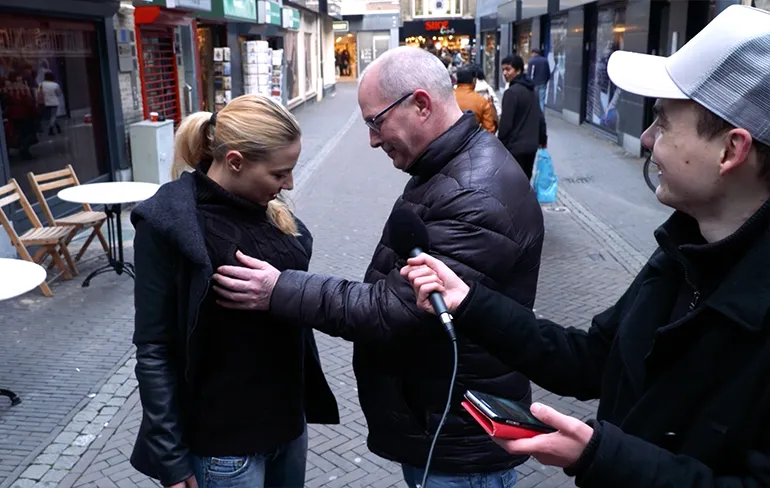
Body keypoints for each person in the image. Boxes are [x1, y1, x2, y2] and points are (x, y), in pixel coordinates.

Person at [401, 5, 770, 487]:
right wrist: (469, 302)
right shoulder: (682, 250)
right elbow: (593, 359)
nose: (645, 138)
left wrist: (600, 455)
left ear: (730, 150)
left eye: (663, 122)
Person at [210, 46, 544, 488]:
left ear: (421, 105)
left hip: (457, 442)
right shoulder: (449, 169)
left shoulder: (474, 194)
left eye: (375, 121)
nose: (371, 139)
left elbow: (395, 310)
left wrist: (279, 289)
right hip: (443, 422)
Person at [129, 94, 339, 488]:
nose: (288, 184)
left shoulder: (267, 210)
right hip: (224, 448)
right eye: (279, 174)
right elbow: (155, 348)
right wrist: (171, 458)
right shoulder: (167, 226)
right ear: (236, 161)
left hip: (289, 429)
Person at [498, 55, 547, 180]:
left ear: (518, 70)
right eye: (503, 69)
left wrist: (500, 144)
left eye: (508, 69)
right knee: (526, 180)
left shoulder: (511, 93)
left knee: (513, 184)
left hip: (515, 147)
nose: (505, 73)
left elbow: (506, 123)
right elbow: (540, 117)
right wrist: (542, 139)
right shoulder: (532, 90)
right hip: (531, 145)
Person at [454, 66, 497, 133]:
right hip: (471, 140)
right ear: (474, 80)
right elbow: (489, 130)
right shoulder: (482, 101)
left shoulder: (448, 98)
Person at [37, 71, 62, 136]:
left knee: (50, 116)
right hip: (54, 102)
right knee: (53, 116)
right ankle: (51, 129)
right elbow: (59, 93)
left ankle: (58, 127)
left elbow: (38, 93)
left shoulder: (40, 84)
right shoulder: (55, 85)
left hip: (44, 103)